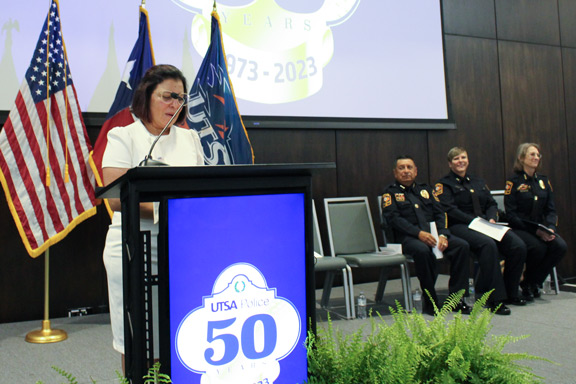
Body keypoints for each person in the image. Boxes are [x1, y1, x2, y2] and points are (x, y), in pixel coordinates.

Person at [101, 65, 204, 368]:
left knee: (181, 334)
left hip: (181, 248)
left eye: (181, 99)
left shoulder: (191, 139)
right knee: (136, 338)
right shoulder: (124, 136)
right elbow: (116, 197)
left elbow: (200, 190)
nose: (175, 105)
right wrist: (167, 208)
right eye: (168, 96)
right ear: (147, 96)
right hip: (133, 247)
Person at [435, 147, 527, 315]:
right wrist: (474, 221)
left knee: (517, 245)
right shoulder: (444, 185)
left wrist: (492, 218)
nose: (460, 161)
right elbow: (449, 209)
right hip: (460, 226)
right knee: (487, 245)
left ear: (468, 160)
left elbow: (491, 203)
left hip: (486, 224)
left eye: (463, 157)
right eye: (456, 159)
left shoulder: (478, 181)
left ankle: (510, 292)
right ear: (450, 163)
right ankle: (495, 299)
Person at [381, 155, 471, 315]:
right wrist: (419, 234)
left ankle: (456, 299)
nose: (406, 171)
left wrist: (443, 234)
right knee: (423, 251)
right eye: (402, 168)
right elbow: (394, 219)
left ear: (416, 171)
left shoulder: (426, 190)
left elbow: (440, 213)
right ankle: (430, 300)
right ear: (395, 173)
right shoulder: (390, 194)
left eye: (409, 168)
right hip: (406, 238)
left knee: (462, 246)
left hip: (434, 235)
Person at [504, 143, 566, 301]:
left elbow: (551, 210)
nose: (536, 158)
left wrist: (551, 228)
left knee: (559, 246)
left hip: (542, 228)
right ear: (521, 158)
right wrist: (536, 231)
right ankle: (528, 283)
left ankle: (532, 282)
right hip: (521, 228)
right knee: (538, 248)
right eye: (532, 154)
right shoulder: (513, 182)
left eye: (538, 155)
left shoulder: (543, 181)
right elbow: (511, 215)